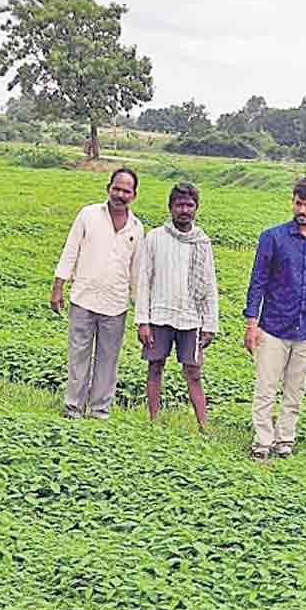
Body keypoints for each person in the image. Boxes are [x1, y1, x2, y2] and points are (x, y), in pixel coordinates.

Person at [243, 177, 306, 460]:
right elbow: (257, 282)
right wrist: (251, 323)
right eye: (298, 203)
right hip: (272, 327)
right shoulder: (272, 237)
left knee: (295, 390)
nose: (302, 210)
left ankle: (285, 439)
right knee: (265, 389)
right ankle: (262, 442)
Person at [51, 168, 145, 419]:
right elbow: (70, 250)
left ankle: (99, 411)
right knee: (78, 355)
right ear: (108, 188)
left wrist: (142, 314)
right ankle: (73, 408)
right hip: (83, 298)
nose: (120, 194)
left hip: (116, 304)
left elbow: (136, 272)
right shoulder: (88, 215)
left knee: (108, 360)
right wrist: (58, 285)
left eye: (126, 191)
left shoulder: (137, 228)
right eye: (117, 188)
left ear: (134, 195)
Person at [135, 182, 219, 430]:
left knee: (193, 372)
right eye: (179, 205)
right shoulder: (154, 238)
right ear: (170, 208)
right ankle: (153, 421)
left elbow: (209, 284)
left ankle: (204, 426)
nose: (184, 210)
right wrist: (143, 321)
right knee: (155, 366)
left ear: (196, 208)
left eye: (189, 205)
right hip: (159, 315)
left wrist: (210, 324)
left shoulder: (202, 242)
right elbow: (144, 281)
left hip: (191, 319)